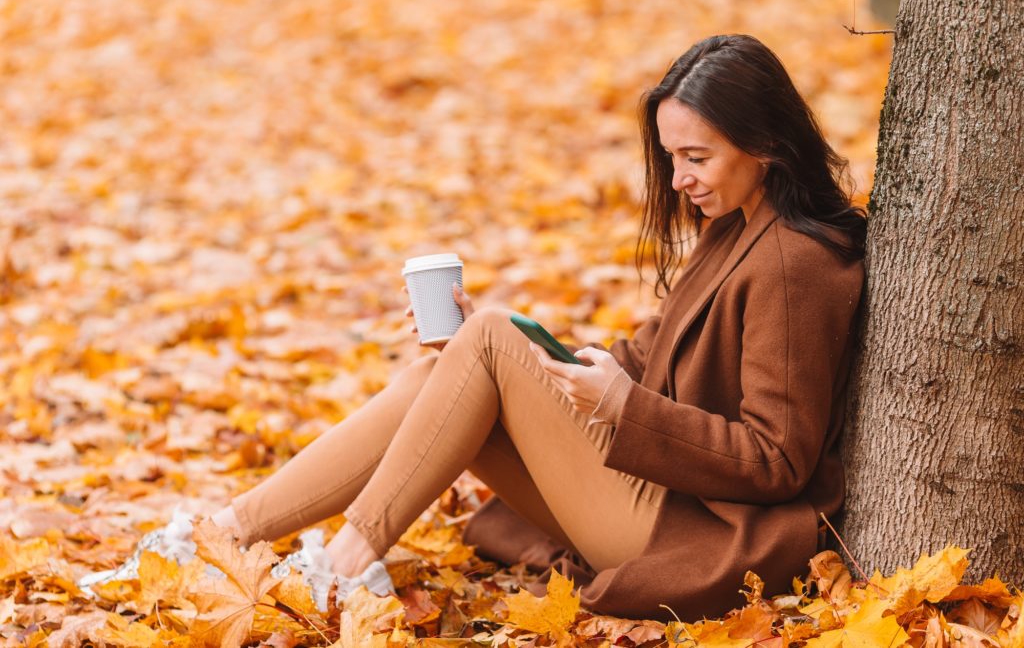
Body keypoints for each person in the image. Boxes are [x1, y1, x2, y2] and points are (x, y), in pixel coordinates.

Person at [79, 34, 866, 621]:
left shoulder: (796, 264)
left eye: (695, 156)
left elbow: (778, 460)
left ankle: (349, 556)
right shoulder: (735, 226)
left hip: (691, 531)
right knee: (453, 361)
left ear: (764, 144)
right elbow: (645, 355)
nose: (678, 180)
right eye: (668, 158)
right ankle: (219, 537)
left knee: (484, 340)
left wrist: (621, 404)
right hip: (654, 489)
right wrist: (541, 349)